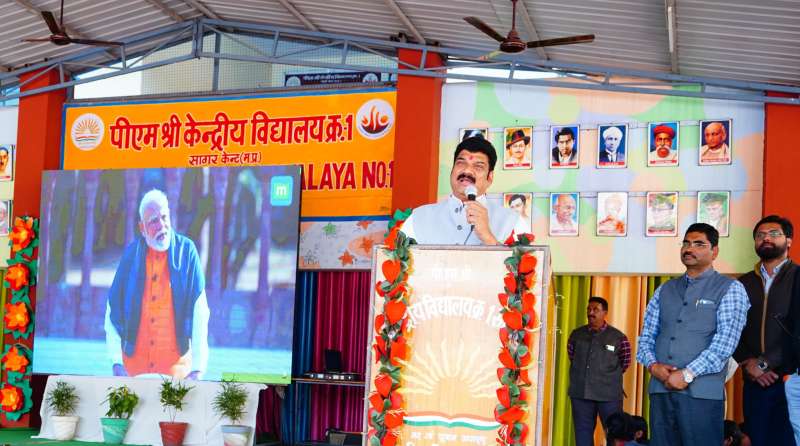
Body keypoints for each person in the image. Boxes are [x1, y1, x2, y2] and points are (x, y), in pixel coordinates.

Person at [636, 223, 750, 446]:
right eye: (686, 243)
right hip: (661, 391)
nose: (689, 249)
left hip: (701, 395)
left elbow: (725, 343)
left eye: (699, 244)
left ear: (714, 252)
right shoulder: (665, 289)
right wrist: (653, 366)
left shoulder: (730, 288)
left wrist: (687, 375)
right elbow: (646, 336)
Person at [105, 189, 210, 379]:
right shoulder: (131, 256)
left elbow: (200, 312)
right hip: (133, 375)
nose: (161, 225)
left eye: (164, 217)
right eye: (153, 221)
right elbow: (113, 309)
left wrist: (197, 370)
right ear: (142, 228)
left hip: (177, 376)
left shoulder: (187, 252)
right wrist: (116, 363)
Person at [735, 216, 798, 445]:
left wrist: (764, 363)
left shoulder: (798, 277)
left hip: (790, 378)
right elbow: (731, 329)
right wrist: (748, 362)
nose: (766, 238)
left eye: (774, 233)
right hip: (755, 381)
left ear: (789, 241)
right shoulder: (742, 283)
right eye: (760, 235)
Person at [401, 136, 529, 245]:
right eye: (461, 163)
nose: (467, 170)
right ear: (452, 170)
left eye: (478, 166)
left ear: (490, 178)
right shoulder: (419, 218)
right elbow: (398, 264)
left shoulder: (513, 222)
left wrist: (488, 237)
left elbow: (525, 266)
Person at [568, 296, 631, 446]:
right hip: (581, 394)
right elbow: (573, 356)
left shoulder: (619, 337)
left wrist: (605, 375)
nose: (591, 313)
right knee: (582, 436)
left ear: (605, 313)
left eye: (595, 309)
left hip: (609, 395)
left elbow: (625, 362)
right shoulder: (576, 335)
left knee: (614, 435)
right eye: (589, 309)